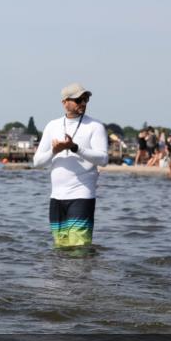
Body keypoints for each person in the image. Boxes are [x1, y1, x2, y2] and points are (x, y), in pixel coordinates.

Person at [32, 83, 108, 248]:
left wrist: (75, 147)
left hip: (82, 195)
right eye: (78, 99)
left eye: (86, 99)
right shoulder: (53, 126)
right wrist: (54, 151)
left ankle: (81, 275)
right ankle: (61, 275)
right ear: (65, 102)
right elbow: (37, 162)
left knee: (78, 249)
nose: (83, 103)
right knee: (60, 248)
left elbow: (103, 159)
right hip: (57, 198)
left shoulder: (95, 126)